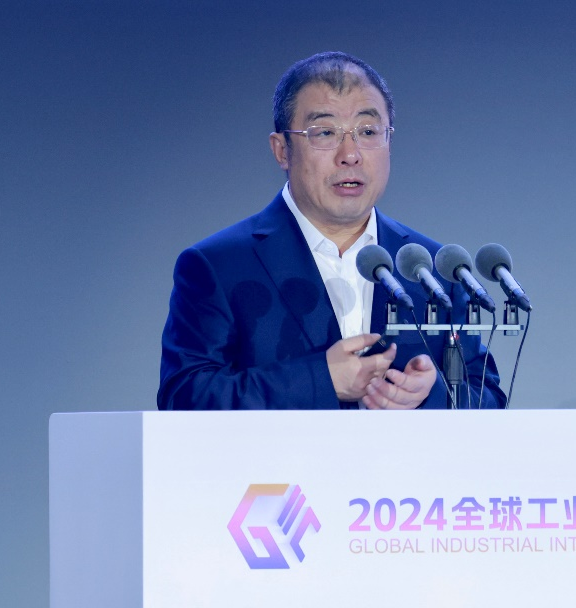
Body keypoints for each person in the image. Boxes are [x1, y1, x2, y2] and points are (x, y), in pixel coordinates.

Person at [158, 51, 505, 412]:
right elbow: (184, 397)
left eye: (368, 132)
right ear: (282, 150)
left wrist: (430, 396)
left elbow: (488, 396)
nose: (350, 154)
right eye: (325, 132)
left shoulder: (432, 270)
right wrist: (321, 381)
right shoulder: (218, 266)